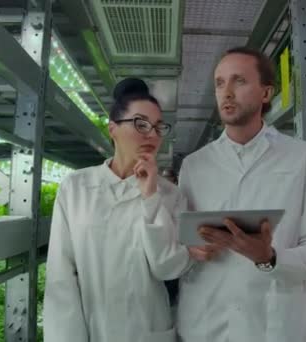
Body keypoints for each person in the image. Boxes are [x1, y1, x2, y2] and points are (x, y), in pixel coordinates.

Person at [176, 47, 306, 342]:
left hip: (274, 326)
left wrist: (269, 257)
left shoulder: (302, 158)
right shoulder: (194, 166)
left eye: (239, 81)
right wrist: (190, 251)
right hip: (207, 325)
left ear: (266, 93)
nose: (227, 92)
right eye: (220, 83)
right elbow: (179, 243)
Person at [43, 78, 214, 342]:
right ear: (113, 128)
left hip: (149, 329)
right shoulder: (75, 187)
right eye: (140, 124)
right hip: (93, 329)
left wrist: (150, 197)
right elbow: (60, 277)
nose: (152, 134)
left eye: (158, 127)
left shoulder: (170, 195)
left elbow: (167, 268)